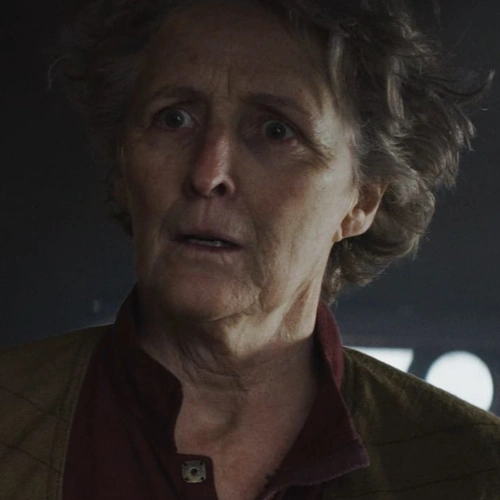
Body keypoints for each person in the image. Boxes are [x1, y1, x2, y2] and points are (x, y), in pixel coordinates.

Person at [1, 0, 499, 498]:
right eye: (174, 119)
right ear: (122, 166)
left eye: (277, 131)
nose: (207, 174)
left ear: (362, 200)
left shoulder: (475, 469)